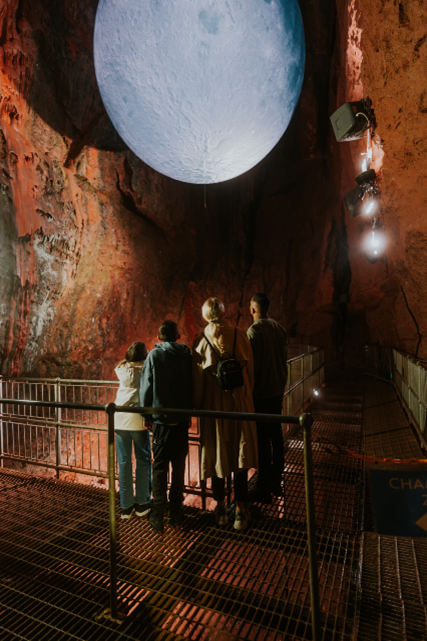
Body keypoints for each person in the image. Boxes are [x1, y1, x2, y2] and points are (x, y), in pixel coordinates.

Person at [192, 298, 258, 531]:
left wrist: (199, 406)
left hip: (215, 404)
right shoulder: (241, 335)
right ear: (223, 312)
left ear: (205, 315)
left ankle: (220, 508)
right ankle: (240, 510)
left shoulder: (200, 340)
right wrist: (249, 399)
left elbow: (198, 379)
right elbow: (249, 371)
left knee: (217, 453)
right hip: (239, 401)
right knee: (240, 454)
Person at [140, 320, 193, 533]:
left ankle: (157, 514)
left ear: (159, 337)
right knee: (179, 466)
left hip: (161, 421)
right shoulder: (187, 356)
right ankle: (175, 512)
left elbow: (146, 386)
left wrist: (147, 414)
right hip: (181, 420)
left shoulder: (154, 356)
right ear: (178, 336)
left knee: (160, 467)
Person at [247, 293, 288, 503]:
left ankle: (262, 488)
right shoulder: (279, 328)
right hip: (277, 390)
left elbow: (253, 366)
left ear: (253, 309)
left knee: (263, 441)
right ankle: (276, 481)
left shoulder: (254, 331)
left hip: (262, 393)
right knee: (276, 435)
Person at [115, 341, 152, 520]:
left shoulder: (121, 369)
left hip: (120, 419)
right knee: (143, 460)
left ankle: (125, 507)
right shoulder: (145, 367)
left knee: (124, 463)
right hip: (137, 419)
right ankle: (142, 504)